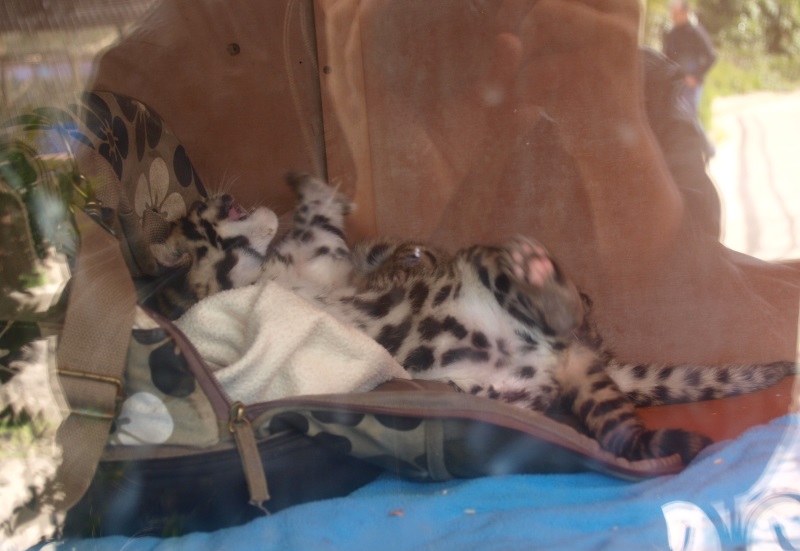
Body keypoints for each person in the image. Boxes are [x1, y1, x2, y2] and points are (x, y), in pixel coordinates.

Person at [92, 0, 799, 367]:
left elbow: (718, 337)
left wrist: (609, 129)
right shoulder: (205, 79)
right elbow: (151, 378)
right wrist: (376, 136)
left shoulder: (617, 79)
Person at [663, 0, 717, 116]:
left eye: (676, 13)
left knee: (689, 118)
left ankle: (699, 135)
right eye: (672, 13)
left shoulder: (696, 31)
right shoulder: (672, 33)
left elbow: (711, 56)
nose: (673, 16)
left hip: (689, 85)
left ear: (685, 12)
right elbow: (667, 58)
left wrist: (696, 76)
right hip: (674, 84)